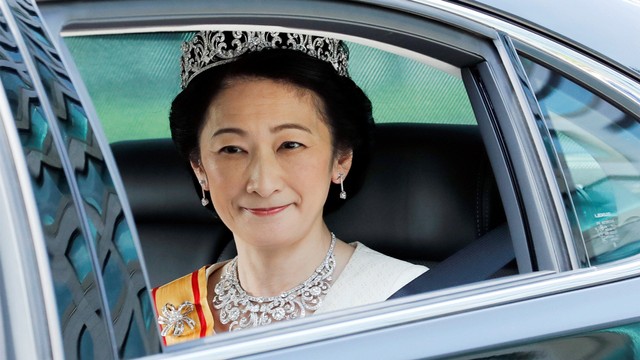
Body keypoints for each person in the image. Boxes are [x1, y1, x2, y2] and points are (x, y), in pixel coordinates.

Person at [153, 30, 427, 344]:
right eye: (232, 149)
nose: (263, 183)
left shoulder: (411, 300)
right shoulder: (160, 314)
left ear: (341, 159)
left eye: (291, 145)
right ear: (199, 166)